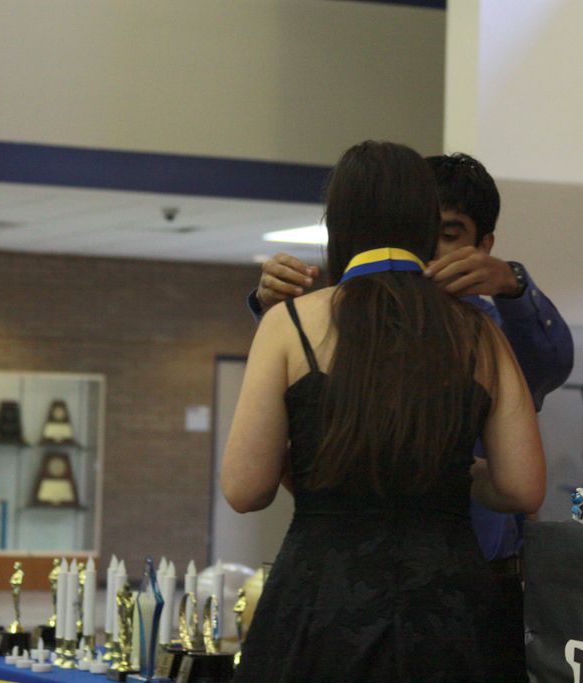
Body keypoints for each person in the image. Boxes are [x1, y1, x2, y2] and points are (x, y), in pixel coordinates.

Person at [222, 140, 545, 682]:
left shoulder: (290, 323)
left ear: (338, 225)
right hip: (448, 607)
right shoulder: (478, 332)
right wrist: (455, 472)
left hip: (320, 602)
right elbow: (523, 489)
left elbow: (244, 488)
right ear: (425, 222)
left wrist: (316, 463)